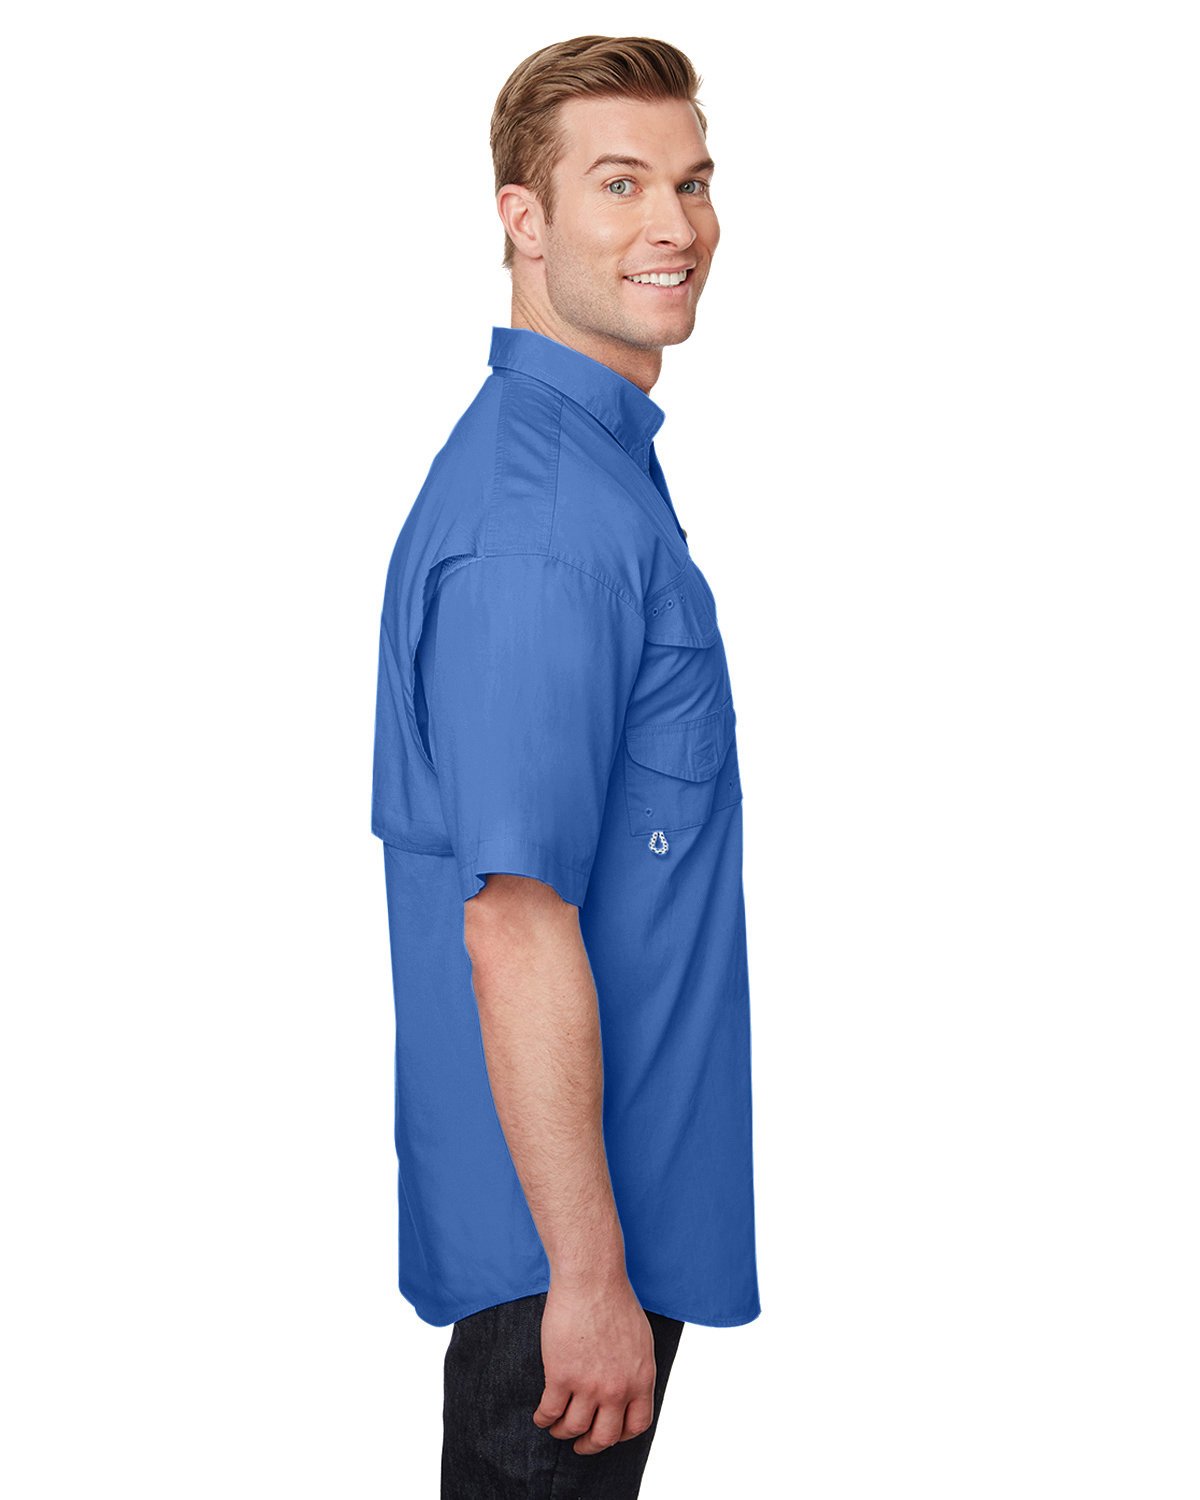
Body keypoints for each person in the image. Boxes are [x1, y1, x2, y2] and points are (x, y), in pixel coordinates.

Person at [371, 35, 760, 1498]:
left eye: (692, 182)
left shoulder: (595, 472)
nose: (676, 224)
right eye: (620, 183)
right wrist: (589, 1278)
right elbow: (514, 921)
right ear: (522, 221)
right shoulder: (542, 525)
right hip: (565, 1263)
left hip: (598, 1231)